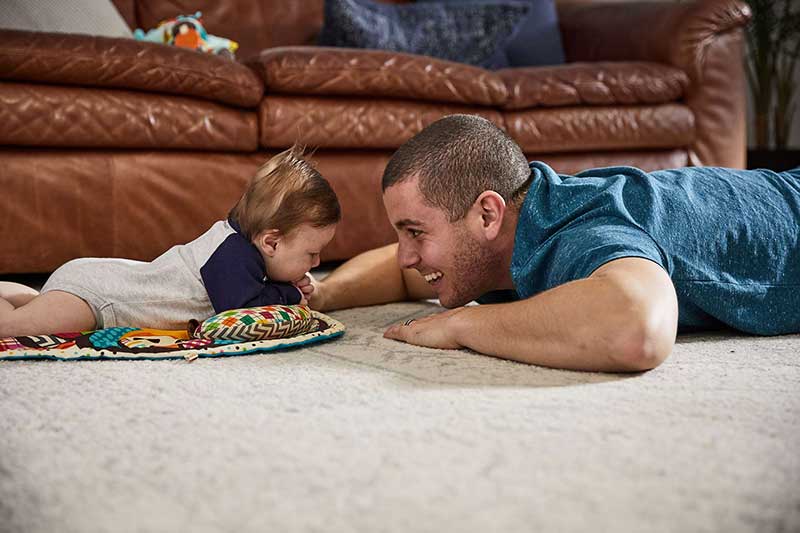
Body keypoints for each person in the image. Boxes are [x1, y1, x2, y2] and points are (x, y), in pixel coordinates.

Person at [309, 114, 800, 373]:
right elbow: (403, 272)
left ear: (487, 214)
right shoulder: (510, 229)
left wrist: (462, 324)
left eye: (415, 232)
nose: (407, 255)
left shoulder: (581, 233)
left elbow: (638, 328)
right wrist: (318, 295)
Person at [0, 147, 341, 336]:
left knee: (41, 300)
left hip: (95, 280)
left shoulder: (237, 242)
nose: (316, 264)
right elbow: (242, 310)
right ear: (271, 243)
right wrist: (290, 294)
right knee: (16, 327)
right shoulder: (231, 257)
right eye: (312, 254)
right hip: (98, 302)